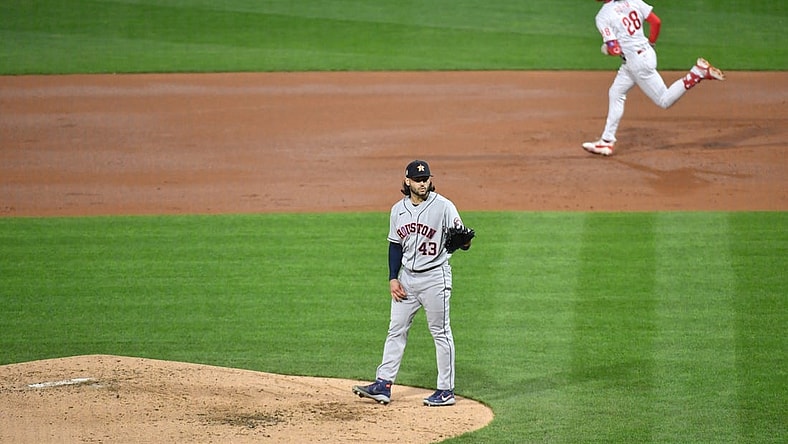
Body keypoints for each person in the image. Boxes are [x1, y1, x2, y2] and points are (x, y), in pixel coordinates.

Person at [352, 160, 472, 407]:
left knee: (440, 332)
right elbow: (395, 245)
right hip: (406, 278)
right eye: (418, 180)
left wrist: (464, 243)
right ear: (407, 181)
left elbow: (464, 240)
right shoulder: (398, 210)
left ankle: (446, 390)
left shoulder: (445, 207)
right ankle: (383, 384)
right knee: (395, 330)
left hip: (434, 277)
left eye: (426, 179)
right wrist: (393, 278)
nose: (423, 183)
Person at [583, 0, 725, 156]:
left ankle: (697, 73)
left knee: (664, 100)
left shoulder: (603, 15)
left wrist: (606, 50)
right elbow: (656, 22)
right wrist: (651, 42)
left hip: (637, 63)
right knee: (616, 93)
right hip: (641, 56)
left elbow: (614, 48)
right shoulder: (634, 1)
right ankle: (606, 142)